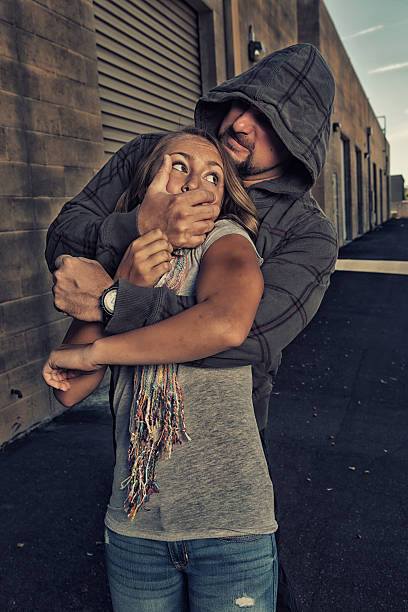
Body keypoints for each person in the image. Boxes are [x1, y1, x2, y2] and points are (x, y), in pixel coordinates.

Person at [46, 44, 338, 611]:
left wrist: (112, 300)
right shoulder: (153, 157)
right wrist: (138, 224)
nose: (240, 121)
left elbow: (240, 335)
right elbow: (64, 240)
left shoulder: (304, 233)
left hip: (231, 458)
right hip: (138, 473)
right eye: (239, 103)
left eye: (267, 118)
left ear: (298, 139)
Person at [44, 127, 280, 611]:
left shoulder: (226, 241)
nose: (197, 182)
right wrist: (125, 280)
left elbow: (227, 323)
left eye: (214, 176)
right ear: (149, 183)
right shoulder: (125, 258)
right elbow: (70, 391)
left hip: (230, 525)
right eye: (179, 166)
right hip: (135, 524)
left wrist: (102, 338)